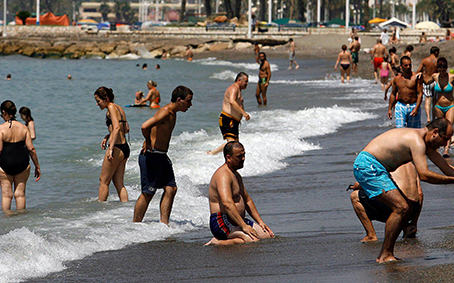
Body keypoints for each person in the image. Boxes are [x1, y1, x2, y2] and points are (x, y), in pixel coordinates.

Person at [353, 118, 454, 262]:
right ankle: (385, 255)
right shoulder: (416, 140)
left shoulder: (426, 144)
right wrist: (452, 181)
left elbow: (446, 168)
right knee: (401, 208)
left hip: (377, 168)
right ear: (435, 132)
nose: (445, 145)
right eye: (445, 139)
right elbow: (424, 175)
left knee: (402, 208)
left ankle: (386, 253)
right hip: (368, 165)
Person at [133, 86, 194, 224]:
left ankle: (164, 225)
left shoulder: (173, 113)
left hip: (161, 156)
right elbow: (144, 126)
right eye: (188, 101)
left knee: (171, 188)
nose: (190, 104)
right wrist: (147, 141)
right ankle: (135, 226)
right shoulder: (165, 112)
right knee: (148, 193)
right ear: (179, 100)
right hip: (151, 156)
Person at [205, 141, 275, 245]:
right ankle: (217, 242)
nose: (243, 159)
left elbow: (247, 200)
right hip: (221, 221)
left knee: (267, 236)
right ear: (228, 158)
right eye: (239, 156)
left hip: (237, 220)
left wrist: (260, 222)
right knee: (252, 241)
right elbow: (227, 203)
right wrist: (244, 226)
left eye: (244, 155)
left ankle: (237, 233)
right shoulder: (223, 175)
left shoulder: (236, 175)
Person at [350, 162, 423, 242]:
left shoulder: (387, 161)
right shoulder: (410, 163)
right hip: (413, 209)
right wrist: (414, 222)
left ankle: (371, 235)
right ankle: (408, 226)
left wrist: (357, 186)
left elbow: (375, 184)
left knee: (355, 196)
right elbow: (420, 194)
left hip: (398, 208)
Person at [0, 100, 41, 211]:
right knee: (20, 194)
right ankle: (21, 222)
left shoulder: (1, 129)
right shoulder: (24, 128)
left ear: (4, 112)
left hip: (5, 165)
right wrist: (37, 166)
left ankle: (8, 221)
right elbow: (31, 149)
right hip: (22, 164)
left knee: (6, 195)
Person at [94, 86, 130, 202]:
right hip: (125, 148)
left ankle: (100, 210)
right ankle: (126, 208)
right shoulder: (119, 108)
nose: (97, 104)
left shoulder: (110, 108)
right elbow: (126, 128)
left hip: (117, 148)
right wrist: (108, 136)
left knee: (103, 181)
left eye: (98, 101)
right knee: (119, 183)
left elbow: (117, 127)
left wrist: (111, 148)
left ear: (106, 98)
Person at [207, 72, 250, 155]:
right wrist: (244, 113)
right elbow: (232, 101)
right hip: (228, 119)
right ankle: (212, 153)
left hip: (234, 120)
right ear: (239, 80)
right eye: (245, 81)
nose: (247, 84)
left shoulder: (238, 90)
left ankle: (214, 154)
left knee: (235, 145)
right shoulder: (233, 88)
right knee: (232, 144)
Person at [422, 57, 454, 157]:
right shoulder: (435, 76)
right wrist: (421, 75)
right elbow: (427, 82)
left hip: (450, 106)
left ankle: (446, 150)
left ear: (447, 68)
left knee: (448, 127)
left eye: (444, 70)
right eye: (440, 70)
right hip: (438, 107)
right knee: (439, 128)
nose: (442, 73)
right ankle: (436, 147)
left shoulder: (452, 77)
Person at [387, 56, 423, 128]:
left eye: (410, 65)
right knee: (400, 130)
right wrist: (390, 109)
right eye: (405, 65)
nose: (408, 67)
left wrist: (416, 108)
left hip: (413, 106)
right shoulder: (397, 79)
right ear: (401, 66)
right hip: (400, 106)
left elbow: (420, 94)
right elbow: (393, 94)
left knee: (413, 131)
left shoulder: (416, 78)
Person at [416, 46, 439, 123]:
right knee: (435, 102)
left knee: (428, 101)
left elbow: (419, 70)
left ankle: (428, 117)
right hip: (435, 81)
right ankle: (433, 118)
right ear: (436, 52)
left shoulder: (425, 60)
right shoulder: (438, 61)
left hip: (427, 81)